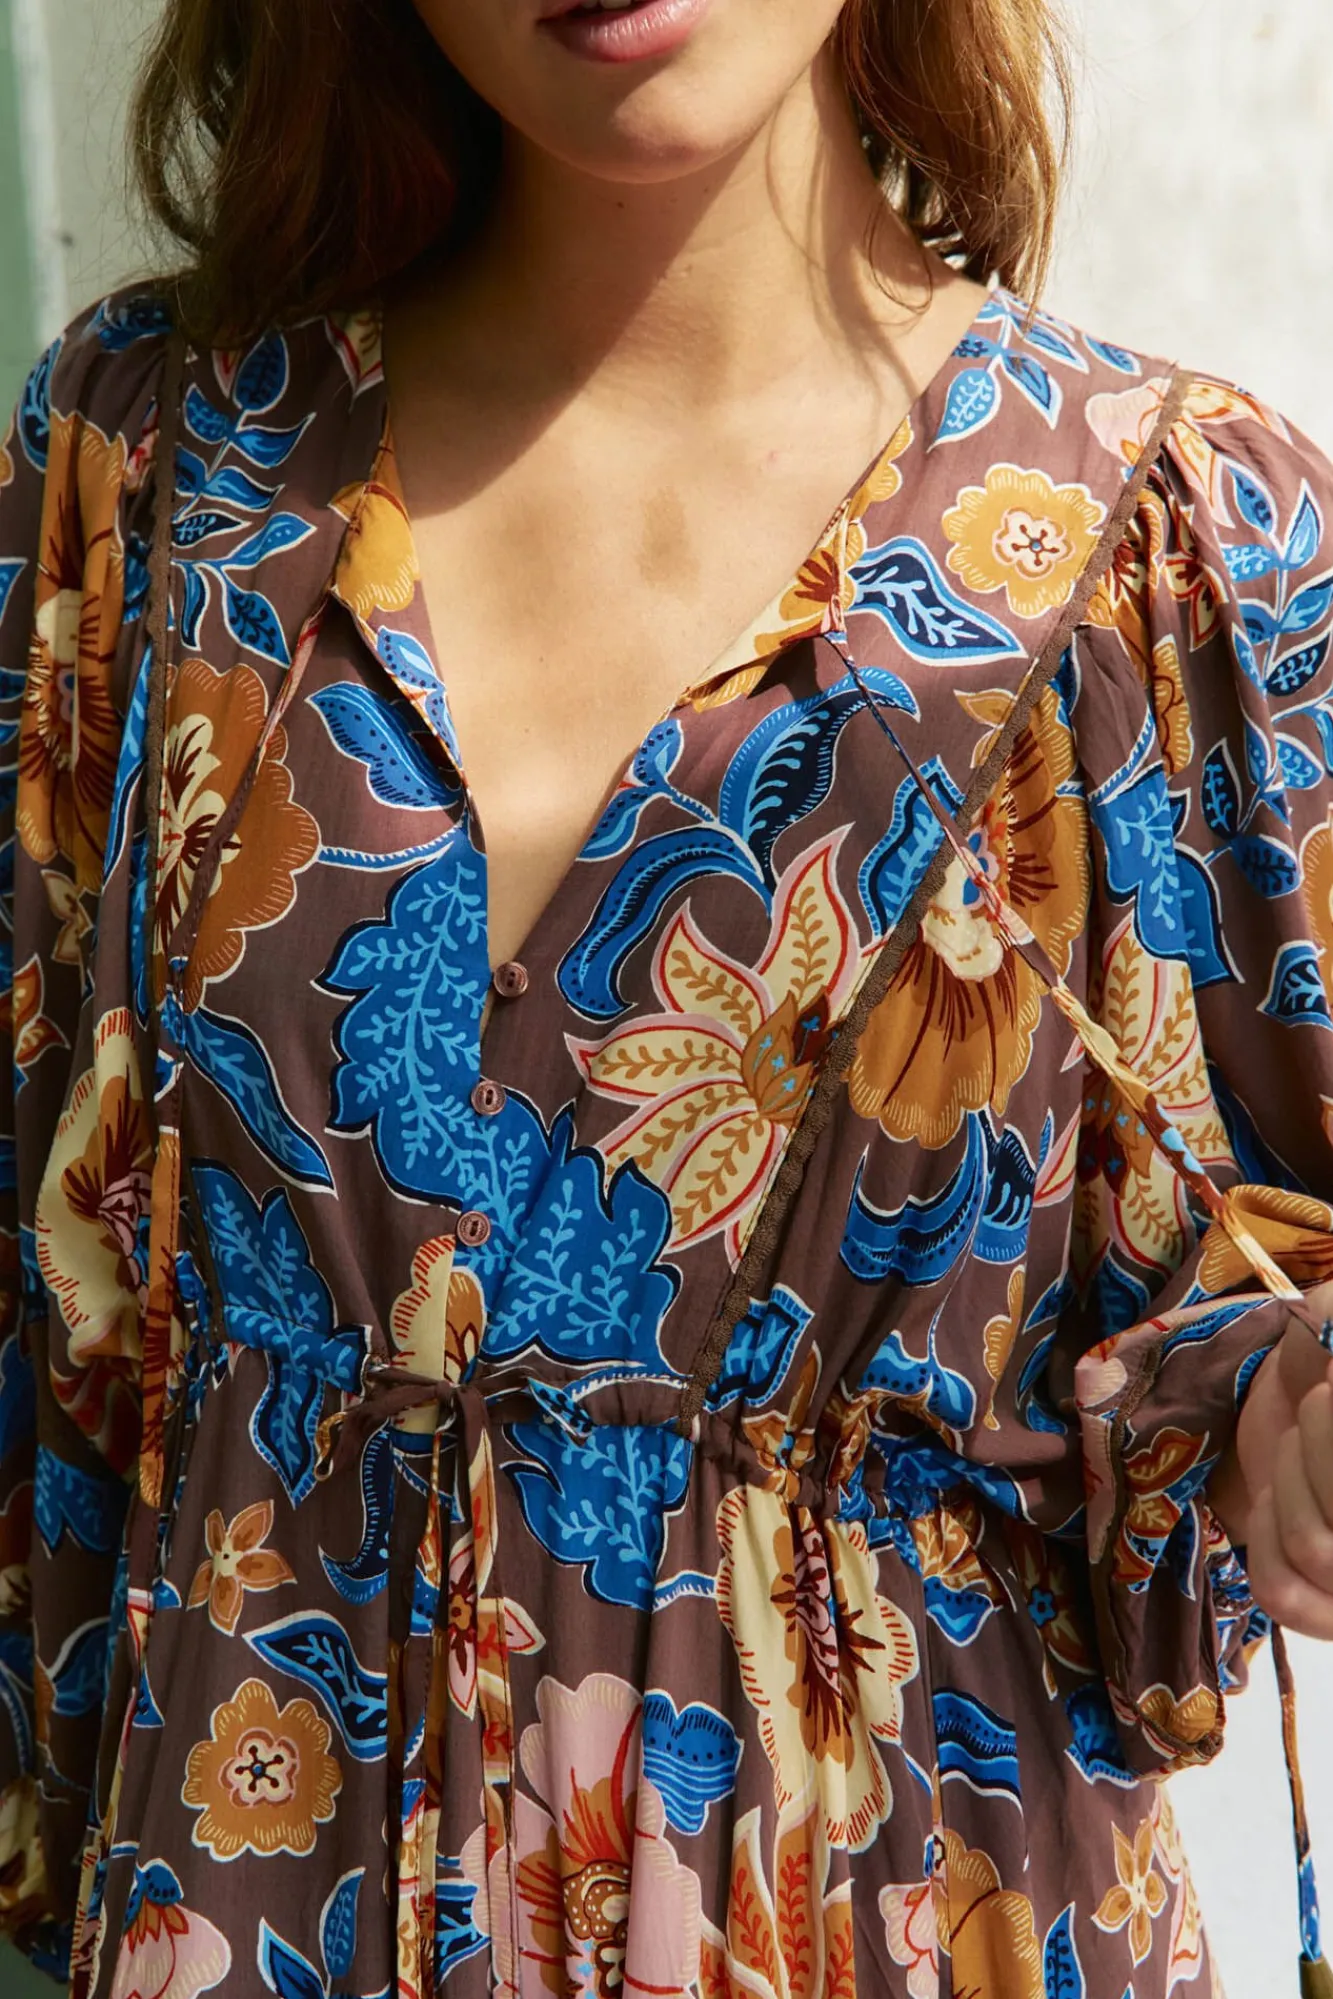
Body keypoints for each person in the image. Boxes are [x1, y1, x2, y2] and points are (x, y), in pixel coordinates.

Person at [4, 0, 1333, 1993]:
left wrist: (1276, 1419)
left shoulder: (1177, 548)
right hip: (254, 1890)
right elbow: (51, 1329)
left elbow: (1247, 1315)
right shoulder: (153, 474)